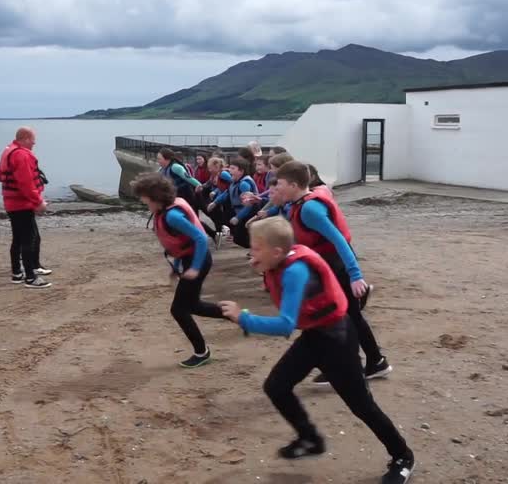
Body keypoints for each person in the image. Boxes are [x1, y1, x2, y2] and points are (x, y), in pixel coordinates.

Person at [218, 217, 415, 484]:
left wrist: (244, 318)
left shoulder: (295, 272)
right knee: (276, 386)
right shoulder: (281, 261)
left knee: (362, 406)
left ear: (277, 251)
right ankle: (309, 438)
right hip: (315, 335)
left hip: (337, 340)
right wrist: (263, 265)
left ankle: (403, 456)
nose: (251, 254)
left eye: (255, 248)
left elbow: (285, 325)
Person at [274, 161, 388, 384]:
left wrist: (355, 275)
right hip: (329, 267)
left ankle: (367, 362)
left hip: (339, 267)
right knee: (342, 317)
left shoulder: (310, 209)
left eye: (280, 184)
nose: (276, 187)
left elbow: (340, 240)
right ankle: (367, 362)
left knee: (345, 317)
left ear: (294, 185)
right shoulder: (299, 204)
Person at [132, 173, 224, 368]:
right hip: (191, 259)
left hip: (199, 260)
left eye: (144, 198)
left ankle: (202, 352)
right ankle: (236, 315)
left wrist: (195, 268)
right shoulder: (164, 211)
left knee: (179, 310)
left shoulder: (173, 216)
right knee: (193, 306)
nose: (143, 201)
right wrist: (177, 267)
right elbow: (181, 244)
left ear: (155, 197)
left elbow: (200, 238)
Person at [0, 126, 52, 288]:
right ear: (25, 138)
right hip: (22, 204)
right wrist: (39, 202)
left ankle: (17, 273)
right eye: (33, 140)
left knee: (19, 239)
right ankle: (31, 277)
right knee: (29, 239)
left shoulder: (9, 151)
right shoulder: (21, 155)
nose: (34, 143)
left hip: (12, 203)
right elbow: (26, 184)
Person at [207, 156, 258, 249]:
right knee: (237, 236)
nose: (229, 171)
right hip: (239, 212)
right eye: (230, 168)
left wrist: (238, 217)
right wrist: (215, 202)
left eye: (233, 168)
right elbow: (227, 193)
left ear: (241, 171)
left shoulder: (244, 184)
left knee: (240, 238)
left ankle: (257, 248)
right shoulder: (235, 182)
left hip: (248, 214)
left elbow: (249, 204)